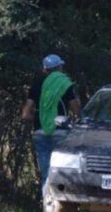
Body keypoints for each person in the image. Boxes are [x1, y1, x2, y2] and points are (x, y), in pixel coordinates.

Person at [21, 54, 81, 195]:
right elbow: (76, 110)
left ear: (45, 70)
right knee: (63, 171)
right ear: (59, 68)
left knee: (46, 172)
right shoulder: (64, 83)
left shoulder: (37, 85)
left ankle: (48, 206)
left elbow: (25, 114)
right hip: (61, 131)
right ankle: (64, 203)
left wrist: (38, 118)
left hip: (40, 131)